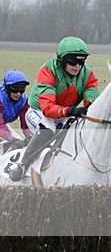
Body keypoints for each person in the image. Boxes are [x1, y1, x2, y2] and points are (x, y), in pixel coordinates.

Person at [6, 36, 100, 181]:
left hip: (64, 113)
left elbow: (91, 88)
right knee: (47, 131)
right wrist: (71, 111)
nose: (77, 66)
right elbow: (48, 109)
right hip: (39, 112)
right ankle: (22, 164)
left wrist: (90, 105)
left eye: (81, 62)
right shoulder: (47, 71)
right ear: (61, 60)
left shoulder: (87, 73)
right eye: (73, 62)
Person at [0, 70, 33, 152]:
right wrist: (12, 139)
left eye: (22, 90)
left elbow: (25, 124)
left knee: (18, 145)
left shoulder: (24, 101)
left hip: (2, 125)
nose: (18, 93)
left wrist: (30, 137)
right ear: (7, 87)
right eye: (15, 89)